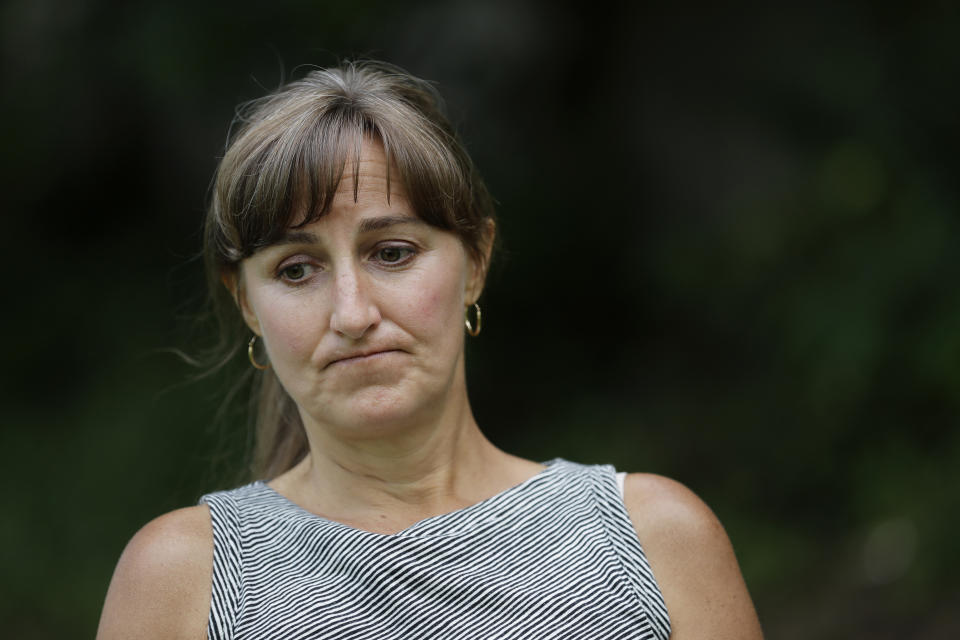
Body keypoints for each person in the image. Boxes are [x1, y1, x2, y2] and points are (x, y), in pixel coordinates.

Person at [96, 61, 763, 639]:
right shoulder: (181, 581)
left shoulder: (654, 543)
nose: (352, 314)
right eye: (296, 270)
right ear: (246, 303)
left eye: (392, 253)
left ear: (475, 262)